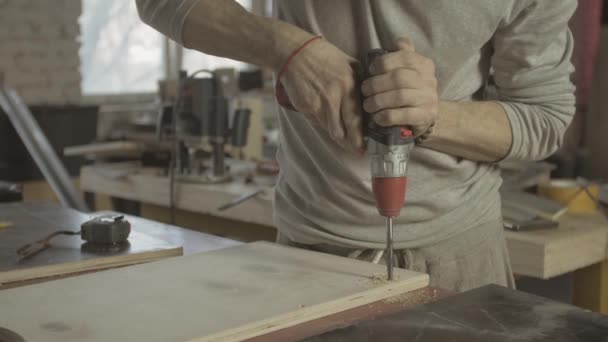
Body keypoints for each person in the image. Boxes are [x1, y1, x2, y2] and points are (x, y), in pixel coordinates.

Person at [136, 0, 576, 291]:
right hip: (312, 253)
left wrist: (433, 115)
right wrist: (286, 46)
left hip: (463, 257)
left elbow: (545, 116)